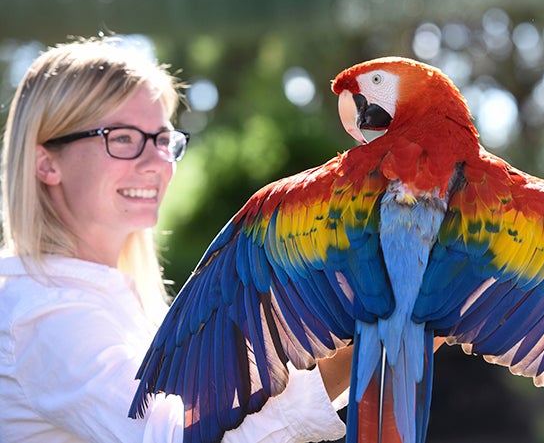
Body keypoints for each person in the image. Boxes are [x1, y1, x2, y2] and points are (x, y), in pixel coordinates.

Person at [0, 37, 352, 443]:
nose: (156, 164)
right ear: (47, 163)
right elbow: (179, 434)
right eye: (123, 138)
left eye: (162, 139)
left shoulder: (107, 294)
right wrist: (356, 357)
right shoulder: (43, 315)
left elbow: (216, 406)